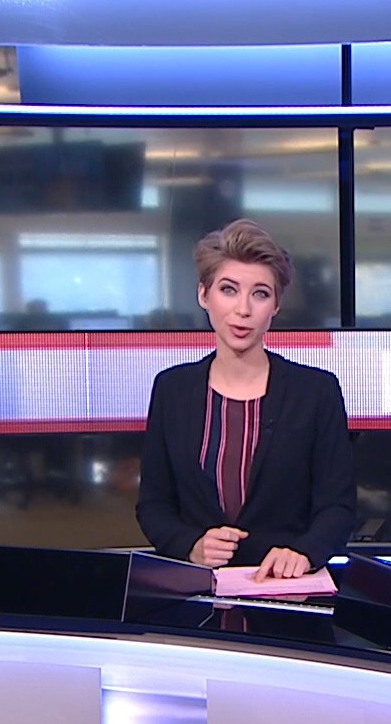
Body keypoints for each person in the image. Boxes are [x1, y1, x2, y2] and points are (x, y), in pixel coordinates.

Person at [137, 220, 356, 579]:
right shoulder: (172, 389)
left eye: (260, 294)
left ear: (276, 305)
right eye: (228, 290)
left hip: (286, 589)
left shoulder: (317, 392)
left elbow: (338, 507)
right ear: (204, 295)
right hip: (197, 588)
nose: (243, 309)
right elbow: (154, 504)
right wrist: (190, 545)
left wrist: (304, 552)